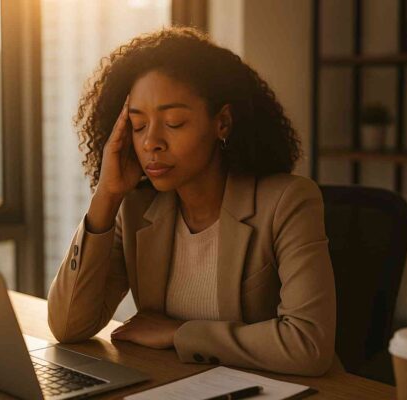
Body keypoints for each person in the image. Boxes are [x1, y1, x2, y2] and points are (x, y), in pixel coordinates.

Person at [47, 26, 338, 376]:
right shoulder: (136, 208)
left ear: (223, 123)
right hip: (175, 386)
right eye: (138, 126)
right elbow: (69, 326)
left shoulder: (288, 202)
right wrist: (106, 196)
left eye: (174, 122)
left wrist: (179, 334)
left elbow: (307, 345)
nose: (151, 142)